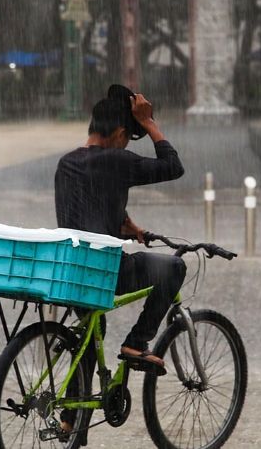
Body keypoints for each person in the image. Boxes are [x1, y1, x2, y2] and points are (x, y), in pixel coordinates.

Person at [54, 84, 186, 378]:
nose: (126, 145)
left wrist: (123, 222)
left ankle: (70, 420)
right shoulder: (116, 161)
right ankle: (137, 342)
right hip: (104, 271)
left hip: (71, 270)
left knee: (89, 335)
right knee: (174, 267)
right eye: (127, 138)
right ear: (118, 134)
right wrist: (149, 123)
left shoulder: (66, 164)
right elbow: (173, 167)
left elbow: (87, 205)